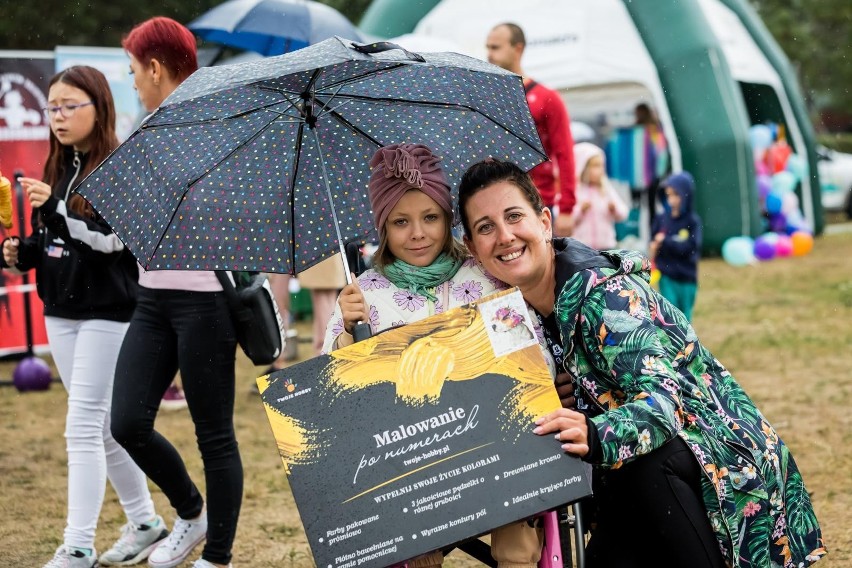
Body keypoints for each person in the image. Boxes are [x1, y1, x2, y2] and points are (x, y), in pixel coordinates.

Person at [457, 158, 826, 568]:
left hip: (726, 472)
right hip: (635, 483)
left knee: (644, 467)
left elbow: (665, 405)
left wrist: (592, 430)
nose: (504, 236)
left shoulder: (606, 298)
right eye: (486, 227)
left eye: (514, 217)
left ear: (544, 222)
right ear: (473, 248)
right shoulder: (517, 315)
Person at [322, 143, 550, 568]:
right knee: (416, 545)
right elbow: (334, 399)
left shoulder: (483, 276)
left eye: (430, 218)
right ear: (382, 228)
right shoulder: (363, 295)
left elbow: (529, 359)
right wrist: (346, 337)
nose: (418, 233)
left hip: (494, 447)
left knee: (517, 539)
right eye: (400, 222)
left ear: (448, 220)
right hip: (415, 465)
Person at [0, 65, 167, 568]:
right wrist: (22, 253)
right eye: (52, 107)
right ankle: (145, 523)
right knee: (100, 429)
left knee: (83, 425)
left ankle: (76, 544)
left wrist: (54, 210)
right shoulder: (53, 166)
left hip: (110, 312)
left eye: (71, 105)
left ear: (100, 107)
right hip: (61, 309)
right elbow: (50, 242)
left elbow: (111, 243)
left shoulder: (120, 166)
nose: (59, 116)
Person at [109, 17, 242, 568]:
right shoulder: (147, 126)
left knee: (213, 433)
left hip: (205, 300)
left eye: (135, 72)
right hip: (151, 297)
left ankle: (217, 555)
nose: (134, 82)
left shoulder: (216, 121)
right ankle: (191, 511)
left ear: (156, 68)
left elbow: (233, 215)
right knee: (126, 422)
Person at [485, 23, 576, 228]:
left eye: (496, 47)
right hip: (494, 202)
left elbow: (565, 153)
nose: (489, 54)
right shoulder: (487, 99)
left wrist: (567, 208)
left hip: (537, 202)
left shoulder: (546, 98)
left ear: (518, 48)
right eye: (488, 47)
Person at [649, 171, 702, 321]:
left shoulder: (692, 221)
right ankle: (671, 344)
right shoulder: (661, 219)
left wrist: (666, 241)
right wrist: (655, 245)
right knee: (669, 317)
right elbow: (653, 240)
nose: (671, 200)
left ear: (686, 195)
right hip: (666, 275)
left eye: (676, 195)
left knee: (685, 318)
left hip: (687, 277)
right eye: (668, 195)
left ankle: (686, 344)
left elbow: (691, 247)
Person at [568, 142, 629, 250]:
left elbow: (623, 214)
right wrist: (580, 210)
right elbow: (565, 220)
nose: (600, 170)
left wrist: (614, 209)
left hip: (606, 247)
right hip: (582, 248)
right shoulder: (575, 190)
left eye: (601, 165)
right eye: (595, 166)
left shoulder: (605, 188)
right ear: (582, 166)